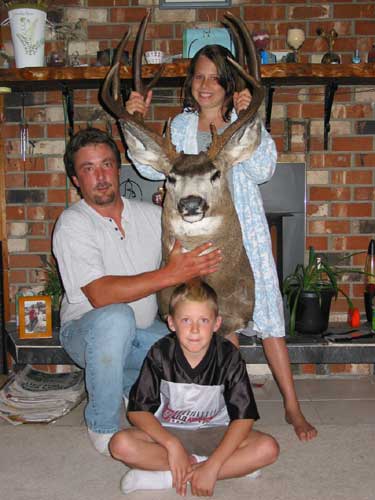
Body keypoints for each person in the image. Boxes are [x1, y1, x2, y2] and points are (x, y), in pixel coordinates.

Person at [125, 44, 317, 441]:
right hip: (195, 238)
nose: (206, 85)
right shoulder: (180, 126)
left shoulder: (238, 122)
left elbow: (263, 169)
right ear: (189, 83)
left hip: (241, 230)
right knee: (220, 322)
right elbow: (150, 166)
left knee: (270, 323)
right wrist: (135, 117)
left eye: (215, 77)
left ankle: (293, 407)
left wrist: (253, 119)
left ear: (230, 85)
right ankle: (236, 407)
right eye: (199, 76)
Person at [52, 128, 222, 456]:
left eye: (106, 165)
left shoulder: (150, 215)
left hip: (144, 334)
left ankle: (131, 389)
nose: (100, 176)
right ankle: (102, 423)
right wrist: (168, 273)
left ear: (118, 169)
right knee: (116, 317)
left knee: (191, 346)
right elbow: (100, 295)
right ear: (76, 179)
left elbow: (191, 244)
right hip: (87, 335)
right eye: (88, 169)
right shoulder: (73, 223)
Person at [110, 280, 279, 497]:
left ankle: (171, 476)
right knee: (120, 445)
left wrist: (214, 464)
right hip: (168, 431)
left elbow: (244, 418)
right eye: (186, 320)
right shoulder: (160, 353)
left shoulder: (228, 356)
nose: (195, 329)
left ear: (217, 324)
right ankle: (226, 468)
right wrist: (171, 445)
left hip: (216, 432)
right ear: (172, 323)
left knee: (268, 448)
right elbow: (137, 411)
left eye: (204, 320)